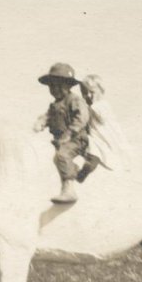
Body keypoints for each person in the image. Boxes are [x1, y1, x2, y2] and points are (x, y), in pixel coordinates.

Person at [33, 62, 100, 204]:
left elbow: (82, 117)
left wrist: (70, 133)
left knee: (62, 155)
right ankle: (75, 170)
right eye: (52, 85)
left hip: (76, 139)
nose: (55, 89)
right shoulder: (55, 105)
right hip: (60, 140)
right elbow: (48, 116)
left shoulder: (74, 100)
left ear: (68, 86)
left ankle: (69, 189)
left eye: (59, 85)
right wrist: (41, 122)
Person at [80, 74, 132, 176]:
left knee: (101, 150)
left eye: (92, 92)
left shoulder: (102, 105)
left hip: (104, 136)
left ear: (100, 90)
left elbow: (102, 118)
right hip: (95, 134)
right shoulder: (90, 107)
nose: (89, 96)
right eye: (85, 93)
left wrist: (89, 108)